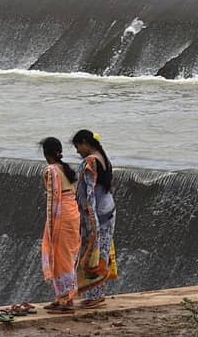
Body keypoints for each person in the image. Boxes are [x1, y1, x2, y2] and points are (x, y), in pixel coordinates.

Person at [72, 129, 118, 308]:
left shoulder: (90, 161)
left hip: (98, 214)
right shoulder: (103, 158)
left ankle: (96, 295)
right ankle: (97, 293)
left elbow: (89, 193)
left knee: (95, 254)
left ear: (85, 143)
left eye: (77, 147)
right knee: (101, 253)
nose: (77, 151)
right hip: (108, 209)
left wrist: (92, 222)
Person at [39, 137, 81, 313]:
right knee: (66, 256)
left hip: (61, 216)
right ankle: (63, 296)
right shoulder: (66, 169)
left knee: (60, 256)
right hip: (72, 213)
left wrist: (51, 227)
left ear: (46, 154)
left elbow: (52, 200)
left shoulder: (51, 171)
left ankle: (65, 299)